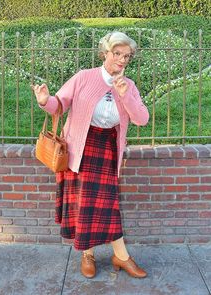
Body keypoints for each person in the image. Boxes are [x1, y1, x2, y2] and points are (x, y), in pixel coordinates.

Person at [32, 31, 149, 279]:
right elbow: (59, 105)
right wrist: (45, 101)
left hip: (107, 148)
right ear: (105, 53)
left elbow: (142, 119)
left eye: (126, 56)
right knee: (84, 205)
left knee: (108, 206)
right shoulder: (85, 77)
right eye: (117, 54)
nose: (121, 60)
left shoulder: (129, 86)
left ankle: (120, 256)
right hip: (80, 149)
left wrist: (125, 93)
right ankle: (89, 254)